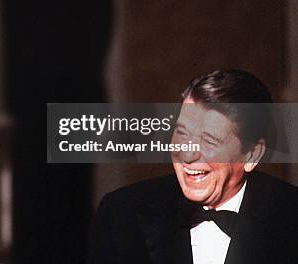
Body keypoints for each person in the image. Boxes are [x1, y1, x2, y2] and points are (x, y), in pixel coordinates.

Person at [88, 69, 298, 264]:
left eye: (209, 141)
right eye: (182, 133)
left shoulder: (290, 217)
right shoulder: (120, 214)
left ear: (252, 154)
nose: (187, 154)